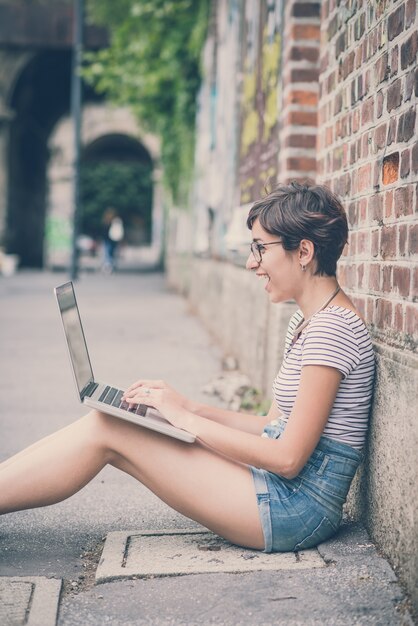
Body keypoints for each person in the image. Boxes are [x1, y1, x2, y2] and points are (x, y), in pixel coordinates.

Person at [0, 182, 375, 553]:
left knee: (107, 429)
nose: (251, 262)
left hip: (294, 509)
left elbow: (288, 459)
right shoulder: (308, 321)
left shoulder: (332, 328)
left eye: (260, 248)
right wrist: (185, 408)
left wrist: (188, 423)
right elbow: (270, 426)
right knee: (113, 420)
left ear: (304, 251)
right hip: (277, 489)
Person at [102, 208, 124, 273]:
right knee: (111, 253)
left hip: (107, 240)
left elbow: (103, 231)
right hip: (114, 240)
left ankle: (108, 266)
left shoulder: (106, 221)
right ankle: (111, 265)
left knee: (107, 253)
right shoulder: (116, 221)